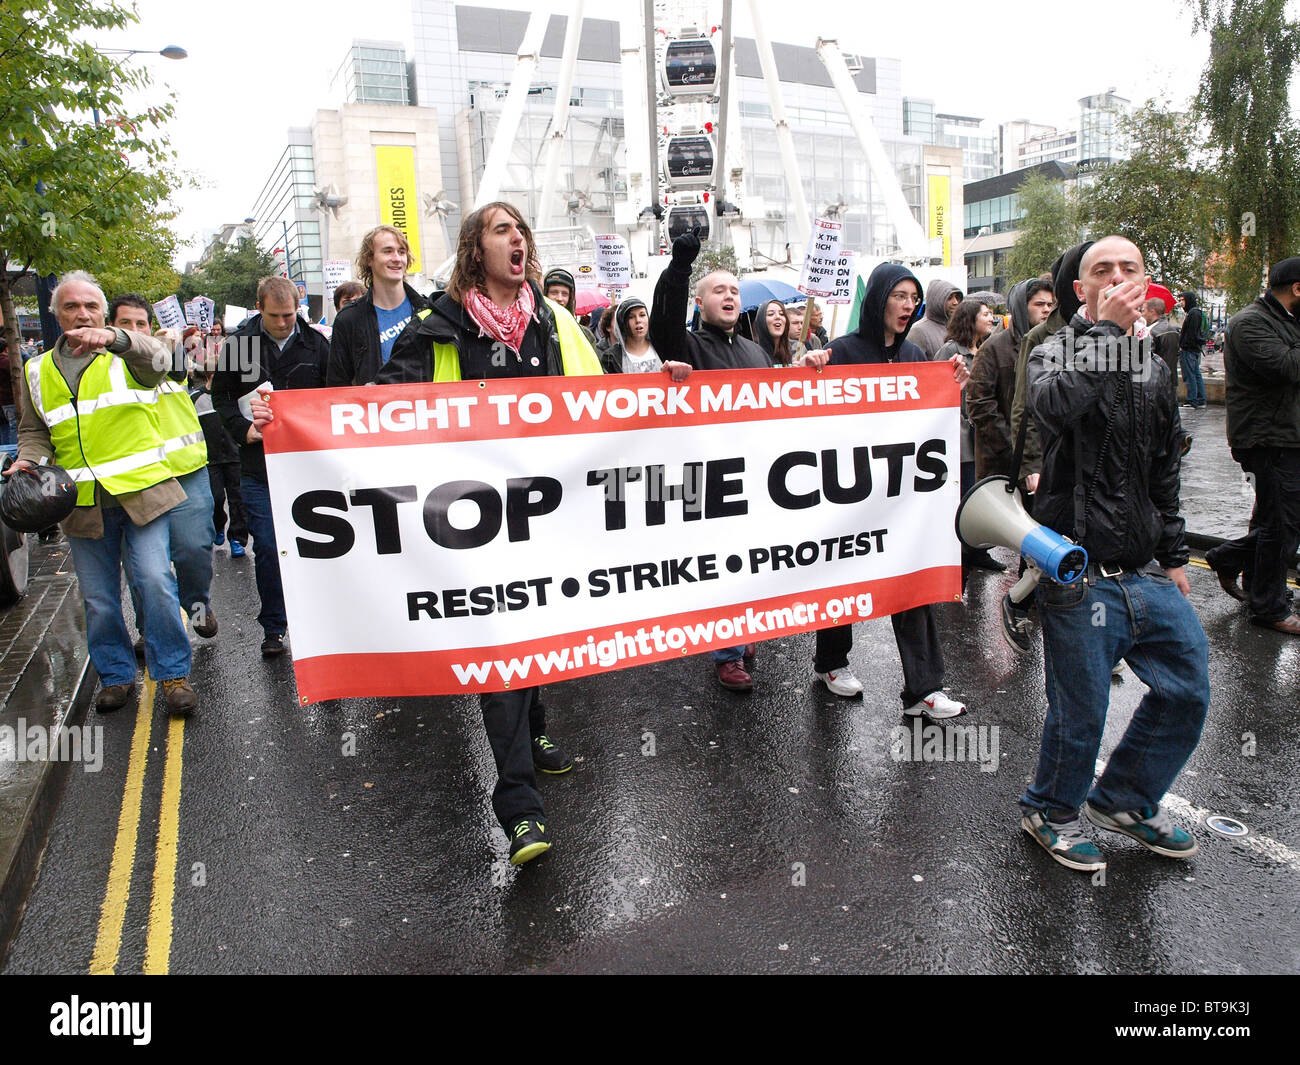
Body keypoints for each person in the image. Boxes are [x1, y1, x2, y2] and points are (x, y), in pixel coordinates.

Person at [307, 201, 602, 867]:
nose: (517, 238)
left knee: (541, 630)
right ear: (475, 250)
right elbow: (374, 403)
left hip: (548, 512)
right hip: (472, 522)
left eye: (520, 228)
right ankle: (521, 806)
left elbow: (606, 397)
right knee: (500, 650)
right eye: (501, 230)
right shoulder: (438, 327)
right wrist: (292, 417)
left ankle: (537, 727)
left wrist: (668, 388)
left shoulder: (555, 323)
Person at [1020, 235, 1207, 874]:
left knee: (1187, 689)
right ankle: (1050, 810)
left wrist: (1175, 555)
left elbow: (1165, 463)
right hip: (1076, 570)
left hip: (1145, 568)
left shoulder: (1155, 359)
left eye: (1131, 268)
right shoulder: (1053, 348)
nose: (1119, 278)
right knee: (1083, 710)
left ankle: (1125, 798)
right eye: (1103, 270)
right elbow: (1052, 408)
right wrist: (1103, 332)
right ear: (1082, 289)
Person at [8, 272, 199, 714]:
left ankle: (172, 674)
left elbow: (161, 360)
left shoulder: (125, 352)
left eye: (91, 306)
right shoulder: (37, 368)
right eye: (72, 306)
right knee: (99, 600)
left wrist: (115, 336)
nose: (82, 314)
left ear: (103, 311)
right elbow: (35, 431)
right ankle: (115, 676)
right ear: (56, 314)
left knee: (155, 582)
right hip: (81, 504)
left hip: (143, 494)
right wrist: (27, 460)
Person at [649, 230, 827, 692]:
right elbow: (663, 322)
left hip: (754, 473)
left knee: (750, 559)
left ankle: (742, 628)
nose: (728, 296)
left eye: (734, 290)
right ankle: (726, 652)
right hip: (707, 477)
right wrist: (680, 265)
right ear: (701, 303)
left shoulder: (755, 353)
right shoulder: (686, 346)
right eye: (718, 290)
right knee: (720, 563)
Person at [810, 261, 970, 716]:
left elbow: (931, 419)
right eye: (899, 296)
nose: (908, 305)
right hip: (848, 492)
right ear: (878, 299)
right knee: (841, 576)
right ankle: (831, 662)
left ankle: (923, 690)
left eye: (913, 298)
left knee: (911, 583)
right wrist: (812, 370)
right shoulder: (840, 352)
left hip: (901, 497)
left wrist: (951, 385)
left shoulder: (917, 359)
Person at [212, 276, 329, 657]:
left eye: (290, 315)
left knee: (319, 548)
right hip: (258, 468)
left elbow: (334, 396)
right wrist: (243, 431)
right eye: (276, 316)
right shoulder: (240, 347)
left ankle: (318, 623)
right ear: (259, 308)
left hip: (310, 467)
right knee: (268, 547)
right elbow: (222, 397)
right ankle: (275, 627)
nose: (284, 323)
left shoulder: (316, 344)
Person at [108, 299, 218, 645]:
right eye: (125, 323)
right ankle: (150, 629)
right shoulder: (102, 370)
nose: (134, 331)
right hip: (136, 480)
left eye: (141, 324)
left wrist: (169, 345)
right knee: (144, 568)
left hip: (185, 471)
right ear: (111, 328)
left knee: (194, 549)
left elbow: (173, 365)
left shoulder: (164, 357)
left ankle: (197, 604)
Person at [1205, 256, 1300, 633]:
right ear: (1296, 289)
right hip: (1266, 438)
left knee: (1275, 518)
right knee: (1285, 524)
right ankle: (1269, 607)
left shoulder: (1287, 321)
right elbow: (1288, 368)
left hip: (1287, 435)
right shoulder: (1250, 323)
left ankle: (1237, 567)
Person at [936, 298, 1005, 578]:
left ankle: (977, 551)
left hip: (980, 438)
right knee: (962, 495)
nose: (991, 319)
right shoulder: (951, 350)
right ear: (969, 319)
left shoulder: (985, 349)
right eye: (985, 315)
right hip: (959, 438)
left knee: (977, 493)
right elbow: (937, 389)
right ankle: (958, 555)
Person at [969, 279, 1054, 481]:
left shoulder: (1053, 345)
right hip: (1002, 466)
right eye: (1039, 304)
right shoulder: (993, 349)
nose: (1046, 310)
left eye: (1050, 305)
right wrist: (1014, 445)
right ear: (1021, 308)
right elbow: (979, 405)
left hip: (1044, 462)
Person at [326, 226, 430, 387]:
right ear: (369, 259)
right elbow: (336, 386)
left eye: (401, 252)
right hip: (373, 411)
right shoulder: (349, 319)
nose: (397, 258)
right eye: (388, 251)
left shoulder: (428, 312)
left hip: (424, 409)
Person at [543, 267, 600, 351]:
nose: (559, 298)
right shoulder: (534, 330)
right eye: (554, 292)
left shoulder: (584, 335)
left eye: (565, 294)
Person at [599, 298, 661, 375]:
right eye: (631, 317)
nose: (638, 320)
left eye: (642, 315)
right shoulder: (611, 357)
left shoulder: (662, 348)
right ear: (622, 323)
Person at [909, 279, 963, 359]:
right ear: (937, 300)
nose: (955, 302)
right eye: (949, 298)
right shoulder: (918, 331)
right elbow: (913, 367)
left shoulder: (958, 328)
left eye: (957, 298)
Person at [1178, 291, 1209, 409]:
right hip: (1195, 349)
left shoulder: (1193, 313)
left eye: (1183, 300)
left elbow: (1191, 333)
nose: (1181, 303)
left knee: (1190, 375)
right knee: (1196, 374)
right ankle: (1200, 400)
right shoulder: (1197, 312)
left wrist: (1183, 345)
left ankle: (1192, 400)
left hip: (1189, 349)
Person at [753, 299, 792, 366]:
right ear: (761, 321)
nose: (778, 317)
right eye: (771, 314)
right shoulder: (753, 354)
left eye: (782, 314)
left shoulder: (795, 350)